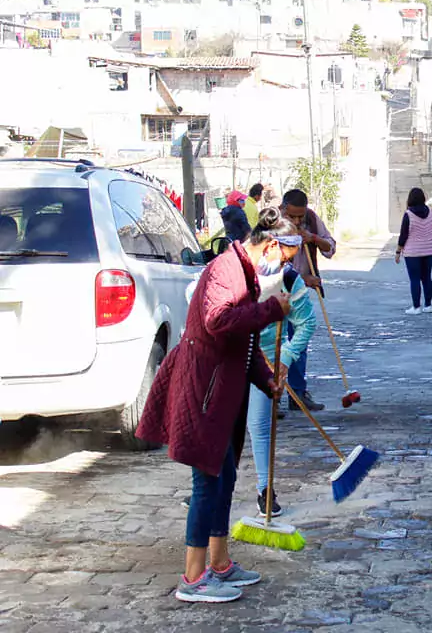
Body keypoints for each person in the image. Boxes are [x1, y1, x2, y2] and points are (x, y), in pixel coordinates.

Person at [135, 207, 299, 603]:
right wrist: (271, 310)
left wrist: (267, 381)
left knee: (223, 477)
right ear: (272, 246)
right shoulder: (226, 269)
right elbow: (218, 321)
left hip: (222, 392)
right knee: (207, 483)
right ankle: (193, 577)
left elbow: (243, 347)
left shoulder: (244, 275)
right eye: (286, 258)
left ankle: (220, 562)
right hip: (204, 392)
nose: (283, 267)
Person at [247, 263, 317, 518]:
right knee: (217, 424)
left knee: (260, 425)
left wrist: (285, 357)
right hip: (230, 356)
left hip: (267, 359)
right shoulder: (234, 268)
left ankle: (266, 490)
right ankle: (204, 486)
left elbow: (307, 322)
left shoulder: (288, 276)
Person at [281, 189, 336, 412]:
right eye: (291, 216)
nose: (295, 221)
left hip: (300, 295)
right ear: (283, 209)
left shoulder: (311, 219)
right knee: (273, 345)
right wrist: (303, 278)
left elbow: (330, 247)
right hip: (276, 293)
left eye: (299, 217)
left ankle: (297, 393)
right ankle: (271, 398)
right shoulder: (272, 223)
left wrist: (312, 238)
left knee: (299, 342)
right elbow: (272, 267)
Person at [395, 188, 432, 315]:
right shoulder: (431, 212)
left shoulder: (408, 214)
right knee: (427, 278)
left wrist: (398, 252)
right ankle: (428, 305)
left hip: (412, 252)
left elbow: (403, 235)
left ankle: (416, 307)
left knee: (414, 279)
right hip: (429, 251)